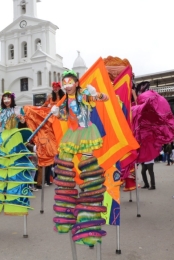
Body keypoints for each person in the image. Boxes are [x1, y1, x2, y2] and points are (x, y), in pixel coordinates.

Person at [49, 70, 109, 238]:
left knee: (88, 165)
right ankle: (64, 209)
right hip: (71, 133)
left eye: (70, 82)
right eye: (64, 83)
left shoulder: (83, 95)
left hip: (86, 131)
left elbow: (104, 99)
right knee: (64, 164)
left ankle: (90, 208)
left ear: (76, 83)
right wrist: (57, 113)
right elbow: (64, 116)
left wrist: (96, 93)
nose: (67, 86)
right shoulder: (65, 100)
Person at [0, 91, 35, 216]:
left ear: (12, 99)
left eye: (8, 98)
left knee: (15, 167)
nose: (6, 100)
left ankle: (15, 203)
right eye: (4, 98)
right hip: (4, 136)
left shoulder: (17, 109)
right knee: (0, 167)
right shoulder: (1, 111)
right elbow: (0, 125)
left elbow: (23, 120)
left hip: (14, 136)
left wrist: (20, 117)